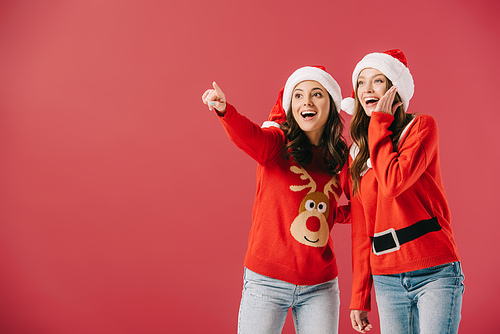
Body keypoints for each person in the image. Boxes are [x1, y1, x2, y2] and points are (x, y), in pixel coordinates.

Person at [201, 66, 350, 334]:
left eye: (317, 94)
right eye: (299, 95)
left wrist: (333, 215)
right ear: (291, 105)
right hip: (266, 282)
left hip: (321, 284)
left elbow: (361, 204)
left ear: (331, 103)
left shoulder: (340, 156)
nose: (307, 101)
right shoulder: (277, 144)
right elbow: (250, 136)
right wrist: (225, 111)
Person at [341, 49, 465, 334]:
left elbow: (393, 182)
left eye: (378, 81)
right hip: (386, 277)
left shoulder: (420, 128)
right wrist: (359, 296)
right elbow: (361, 227)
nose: (367, 89)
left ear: (394, 89)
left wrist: (379, 123)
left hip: (434, 270)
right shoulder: (357, 153)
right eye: (361, 82)